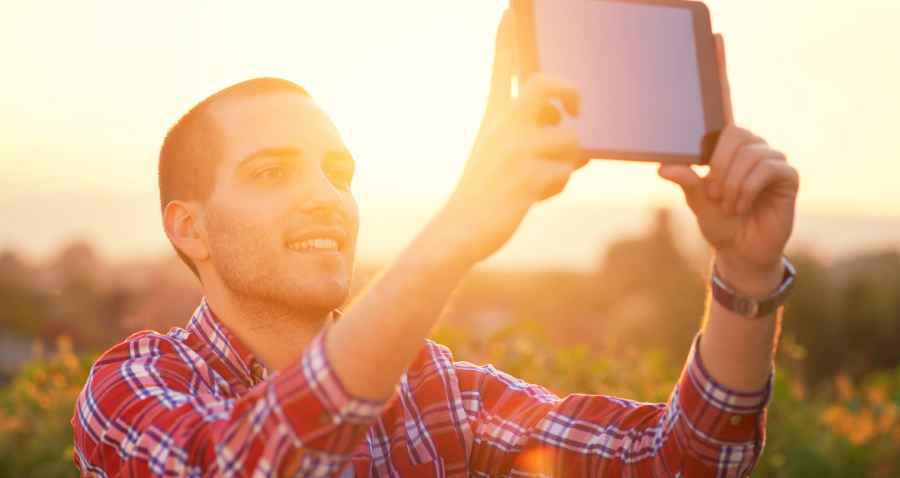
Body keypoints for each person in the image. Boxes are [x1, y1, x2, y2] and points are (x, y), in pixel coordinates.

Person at [72, 11, 798, 478]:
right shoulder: (132, 387)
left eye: (338, 173)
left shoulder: (433, 392)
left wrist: (746, 272)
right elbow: (240, 466)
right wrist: (456, 230)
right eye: (270, 172)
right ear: (188, 228)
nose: (325, 195)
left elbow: (685, 461)